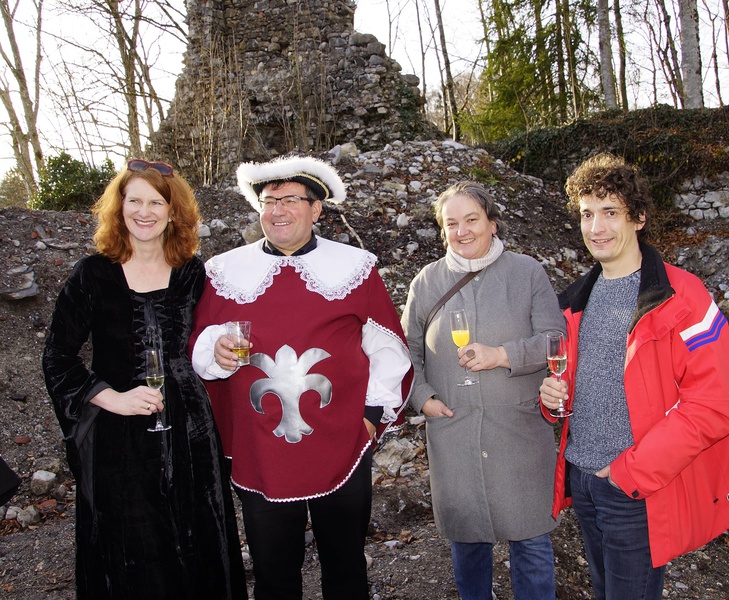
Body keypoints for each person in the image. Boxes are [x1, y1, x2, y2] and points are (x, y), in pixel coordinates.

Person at [190, 154, 413, 600]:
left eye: (291, 199)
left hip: (342, 442)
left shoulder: (354, 266)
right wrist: (213, 353)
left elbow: (387, 348)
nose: (277, 211)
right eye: (268, 200)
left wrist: (370, 416)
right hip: (260, 446)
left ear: (316, 209)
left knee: (346, 567)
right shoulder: (224, 271)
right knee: (273, 574)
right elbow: (200, 345)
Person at [539, 153, 729, 599]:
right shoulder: (573, 302)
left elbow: (711, 406)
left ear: (638, 218)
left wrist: (628, 473)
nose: (595, 227)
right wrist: (551, 398)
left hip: (634, 487)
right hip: (582, 478)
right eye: (586, 214)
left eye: (610, 212)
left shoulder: (684, 297)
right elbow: (574, 391)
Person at [42, 159, 247, 599]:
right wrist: (107, 397)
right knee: (133, 547)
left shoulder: (195, 272)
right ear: (119, 209)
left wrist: (220, 351)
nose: (144, 211)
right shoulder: (92, 275)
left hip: (191, 431)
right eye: (133, 200)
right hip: (121, 437)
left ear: (174, 212)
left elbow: (210, 339)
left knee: (199, 541)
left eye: (156, 201)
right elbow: (57, 356)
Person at [400, 181, 564, 600]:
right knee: (467, 546)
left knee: (531, 544)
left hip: (519, 434)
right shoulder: (426, 282)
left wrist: (502, 355)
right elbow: (406, 351)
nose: (462, 231)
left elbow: (554, 339)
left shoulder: (527, 272)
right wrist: (423, 398)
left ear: (492, 222)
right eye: (451, 223)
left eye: (472, 219)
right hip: (453, 434)